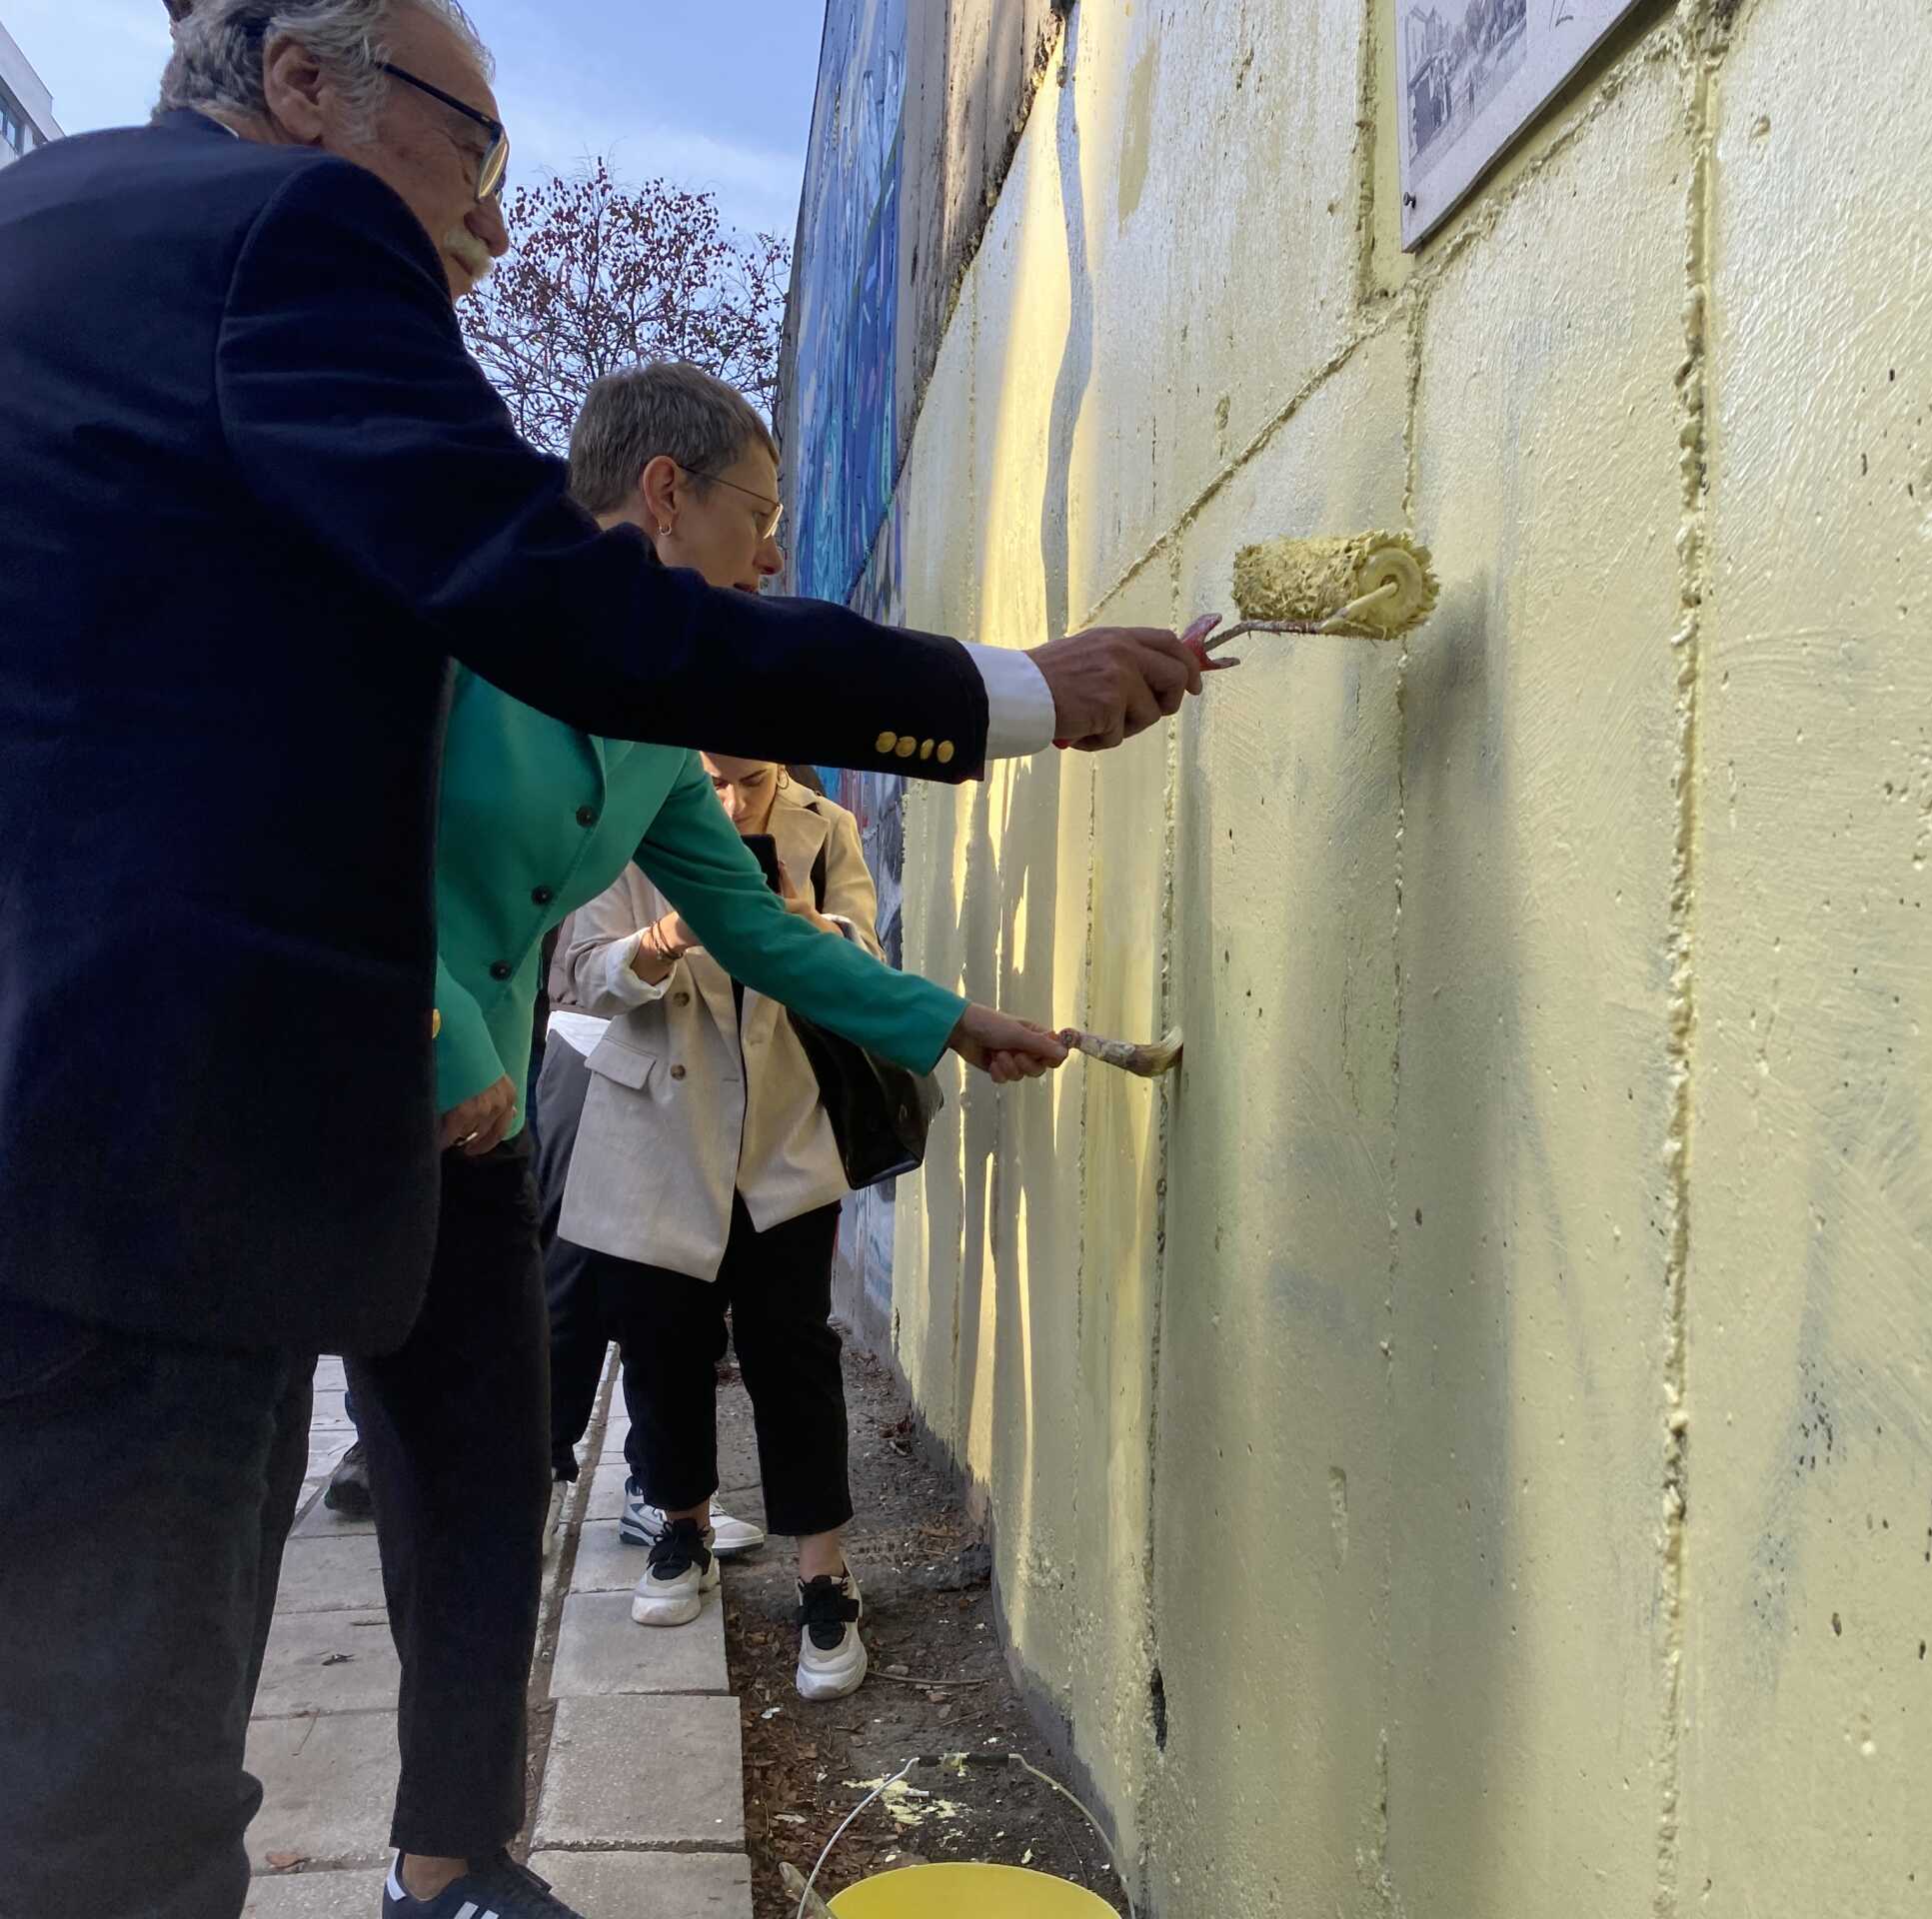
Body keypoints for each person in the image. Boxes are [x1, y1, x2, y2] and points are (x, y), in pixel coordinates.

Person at [0, 4, 1212, 1915]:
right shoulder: (283, 250)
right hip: (167, 1136)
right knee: (113, 1788)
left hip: (290, 1138)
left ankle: (453, 1867)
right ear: (306, 87)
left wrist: (950, 1018)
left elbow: (736, 912)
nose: (488, 225)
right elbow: (477, 693)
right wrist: (1004, 694)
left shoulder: (56, 251)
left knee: (456, 1523)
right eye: (474, 155)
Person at [362, 360, 1080, 1919]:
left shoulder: (648, 733)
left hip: (475, 1150)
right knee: (274, 1506)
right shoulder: (460, 619)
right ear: (662, 494)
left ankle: (450, 1869)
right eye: (755, 520)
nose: (772, 562)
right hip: (349, 1085)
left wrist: (947, 1021)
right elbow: (332, 830)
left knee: (490, 1489)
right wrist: (447, 1035)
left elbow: (766, 933)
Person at [558, 748, 890, 1698]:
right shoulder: (624, 824)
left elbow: (865, 964)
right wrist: (660, 942)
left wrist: (796, 923)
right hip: (657, 1133)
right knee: (663, 1345)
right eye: (715, 780)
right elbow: (581, 975)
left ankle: (824, 1576)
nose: (734, 801)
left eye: (752, 782)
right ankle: (684, 1526)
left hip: (783, 1138)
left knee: (793, 1348)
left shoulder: (826, 830)